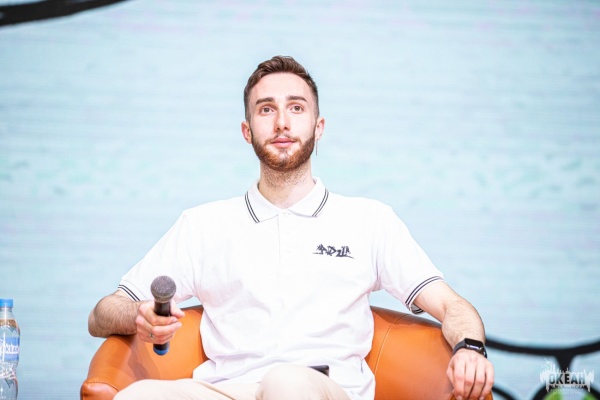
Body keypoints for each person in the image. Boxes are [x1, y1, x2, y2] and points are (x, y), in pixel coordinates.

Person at [88, 55, 494, 400]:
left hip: (322, 389)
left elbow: (452, 306)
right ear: (247, 131)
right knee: (137, 396)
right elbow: (101, 315)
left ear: (318, 127)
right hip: (228, 390)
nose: (282, 122)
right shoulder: (203, 224)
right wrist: (138, 314)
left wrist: (471, 348)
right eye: (266, 109)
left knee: (286, 383)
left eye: (296, 108)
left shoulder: (369, 220)